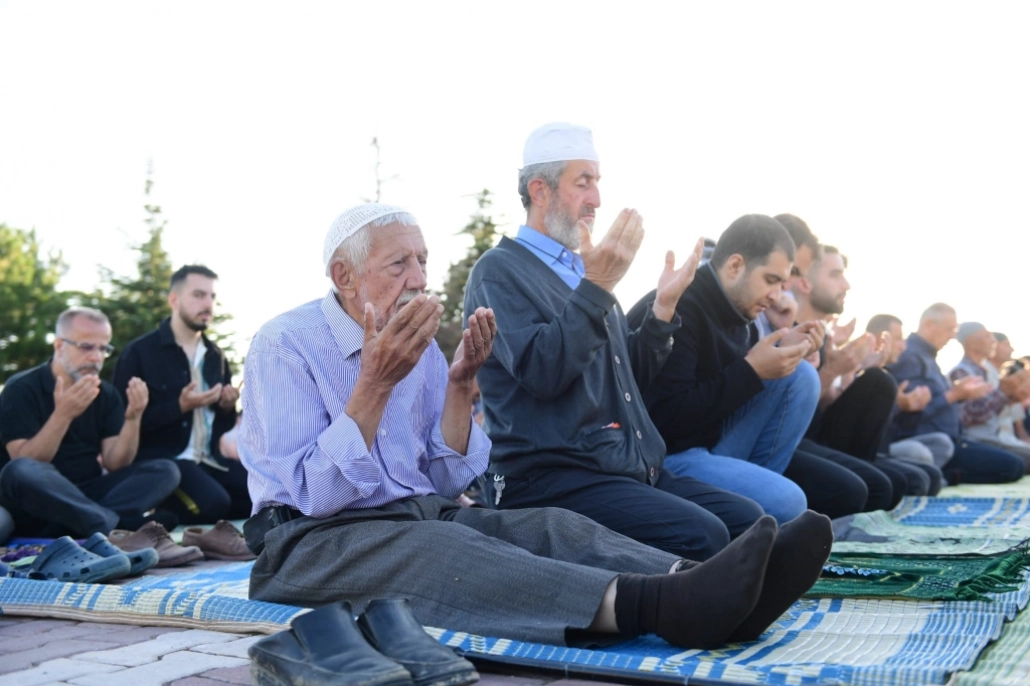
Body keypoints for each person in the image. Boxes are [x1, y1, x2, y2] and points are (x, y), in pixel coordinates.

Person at [239, 201, 832, 650]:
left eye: (423, 261)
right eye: (400, 264)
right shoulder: (284, 346)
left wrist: (461, 388)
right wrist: (372, 388)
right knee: (444, 543)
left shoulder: (419, 352)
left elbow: (442, 483)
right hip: (309, 545)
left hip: (411, 515)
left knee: (548, 526)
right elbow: (314, 499)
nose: (419, 279)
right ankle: (660, 607)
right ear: (344, 275)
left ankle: (714, 590)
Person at [465, 122, 765, 560]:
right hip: (552, 478)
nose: (597, 199)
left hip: (619, 467)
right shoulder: (498, 271)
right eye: (582, 183)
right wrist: (599, 285)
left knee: (750, 523)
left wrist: (663, 310)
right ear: (540, 190)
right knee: (702, 537)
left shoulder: (582, 271)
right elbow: (543, 372)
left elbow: (631, 381)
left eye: (597, 183)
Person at [626, 214, 818, 523]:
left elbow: (727, 391)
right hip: (662, 457)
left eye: (782, 284)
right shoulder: (681, 305)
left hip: (705, 442)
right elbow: (666, 421)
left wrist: (787, 347)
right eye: (770, 280)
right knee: (789, 500)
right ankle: (755, 519)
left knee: (800, 376)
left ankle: (750, 518)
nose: (777, 295)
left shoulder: (736, 310)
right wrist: (751, 371)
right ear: (734, 266)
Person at [0, 307, 180, 537]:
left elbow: (115, 463)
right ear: (59, 346)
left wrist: (133, 418)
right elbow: (25, 460)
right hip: (35, 499)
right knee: (21, 469)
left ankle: (80, 523)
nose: (96, 357)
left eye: (103, 348)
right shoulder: (22, 388)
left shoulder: (106, 394)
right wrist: (63, 414)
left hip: (87, 493)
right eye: (86, 347)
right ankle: (115, 526)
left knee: (165, 470)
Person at [794, 247, 937, 500]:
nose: (846, 285)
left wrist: (854, 370)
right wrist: (833, 371)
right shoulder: (788, 331)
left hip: (820, 440)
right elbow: (789, 415)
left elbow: (826, 405)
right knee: (883, 486)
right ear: (805, 282)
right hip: (791, 445)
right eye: (836, 275)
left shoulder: (823, 336)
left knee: (924, 478)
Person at [114, 265, 250, 525]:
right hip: (165, 464)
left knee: (260, 494)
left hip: (209, 461)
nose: (208, 304)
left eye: (212, 297)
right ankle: (148, 515)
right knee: (216, 503)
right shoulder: (140, 353)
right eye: (198, 295)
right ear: (174, 300)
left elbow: (220, 428)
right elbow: (121, 423)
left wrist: (226, 406)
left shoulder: (215, 356)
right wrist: (179, 406)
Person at [886, 303, 1024, 484]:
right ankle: (944, 476)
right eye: (949, 329)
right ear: (929, 325)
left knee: (1015, 464)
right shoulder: (910, 356)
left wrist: (960, 394)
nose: (952, 336)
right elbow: (911, 412)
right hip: (930, 443)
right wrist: (955, 395)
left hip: (952, 440)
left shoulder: (928, 357)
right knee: (1012, 466)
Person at [948, 323, 1030, 470]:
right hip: (977, 441)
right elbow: (968, 417)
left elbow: (999, 407)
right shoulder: (961, 373)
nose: (993, 341)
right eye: (987, 336)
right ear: (972, 341)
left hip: (997, 438)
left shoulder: (987, 372)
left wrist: (1013, 397)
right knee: (1016, 465)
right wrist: (1004, 393)